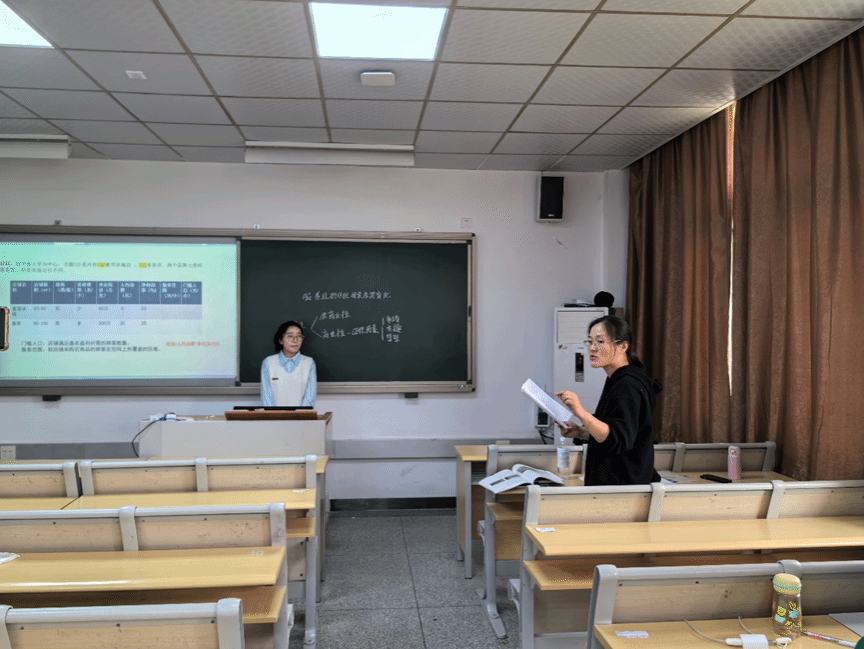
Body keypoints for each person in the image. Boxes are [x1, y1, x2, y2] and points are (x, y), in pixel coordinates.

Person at [556, 315, 661, 486]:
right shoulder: (618, 379)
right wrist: (580, 432)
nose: (592, 348)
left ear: (623, 346)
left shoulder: (627, 385)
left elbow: (617, 440)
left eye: (600, 341)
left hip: (622, 487)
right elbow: (611, 430)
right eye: (590, 341)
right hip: (620, 485)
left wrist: (580, 412)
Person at [260, 320, 317, 407]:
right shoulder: (268, 362)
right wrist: (273, 414)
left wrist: (301, 414)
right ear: (281, 340)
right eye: (290, 336)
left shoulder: (309, 363)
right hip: (273, 415)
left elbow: (310, 397)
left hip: (302, 415)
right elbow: (266, 396)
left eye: (299, 336)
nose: (295, 340)